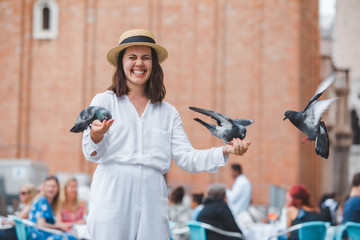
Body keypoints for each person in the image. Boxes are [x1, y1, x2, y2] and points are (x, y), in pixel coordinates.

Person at [81, 28, 251, 240]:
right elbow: (90, 152)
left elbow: (187, 158)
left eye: (146, 58)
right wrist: (96, 135)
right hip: (113, 191)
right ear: (121, 63)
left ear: (154, 64)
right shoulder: (105, 101)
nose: (139, 64)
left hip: (153, 193)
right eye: (132, 57)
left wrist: (225, 149)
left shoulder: (167, 112)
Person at [28, 176, 76, 240]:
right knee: (70, 237)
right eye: (48, 186)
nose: (51, 189)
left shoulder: (52, 202)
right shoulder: (42, 200)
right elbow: (41, 224)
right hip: (40, 236)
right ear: (44, 188)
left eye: (53, 186)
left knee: (71, 235)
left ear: (58, 188)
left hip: (47, 233)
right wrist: (59, 227)